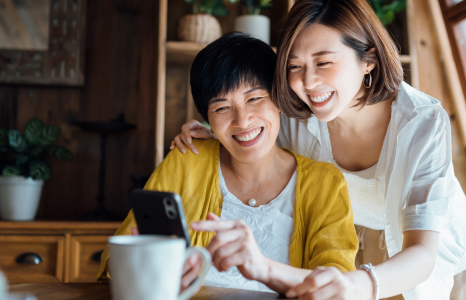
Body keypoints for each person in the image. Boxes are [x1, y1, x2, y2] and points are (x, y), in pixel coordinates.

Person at [171, 1, 466, 299]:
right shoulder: (297, 117)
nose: (307, 83)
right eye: (294, 66)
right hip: (350, 251)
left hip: (430, 257)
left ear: (369, 59)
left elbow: (422, 251)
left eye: (323, 62)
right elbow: (252, 127)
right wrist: (211, 132)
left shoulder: (422, 121)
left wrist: (355, 284)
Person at [97, 32, 358, 294]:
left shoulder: (325, 184)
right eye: (221, 108)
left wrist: (264, 267)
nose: (242, 121)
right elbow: (115, 255)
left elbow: (338, 286)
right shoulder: (187, 161)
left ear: (279, 98)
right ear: (207, 116)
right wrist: (142, 262)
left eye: (254, 98)